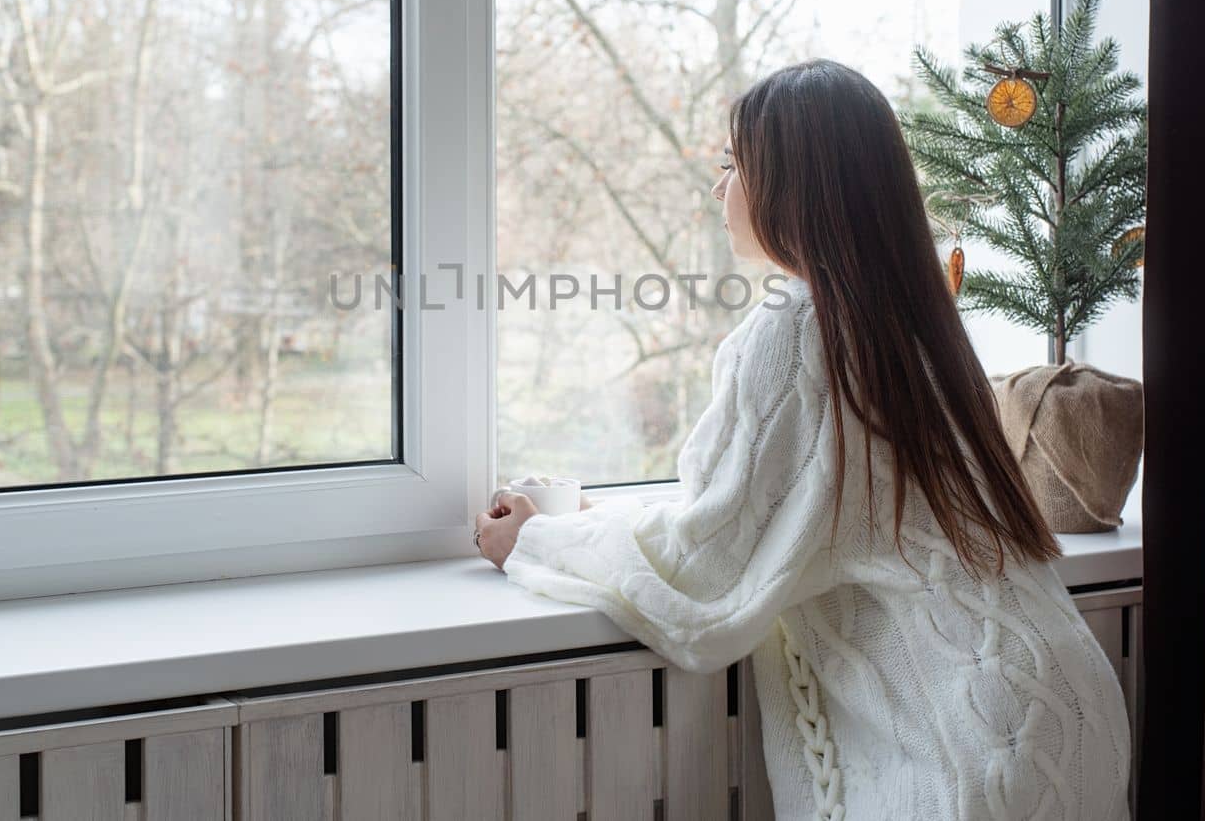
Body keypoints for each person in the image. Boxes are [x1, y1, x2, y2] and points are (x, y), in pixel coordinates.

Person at [474, 60, 1131, 820]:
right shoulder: (913, 323)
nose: (717, 190)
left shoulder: (795, 327)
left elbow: (706, 561)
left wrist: (537, 541)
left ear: (795, 180)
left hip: (965, 745)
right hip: (1064, 706)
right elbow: (769, 504)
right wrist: (592, 520)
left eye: (730, 164)